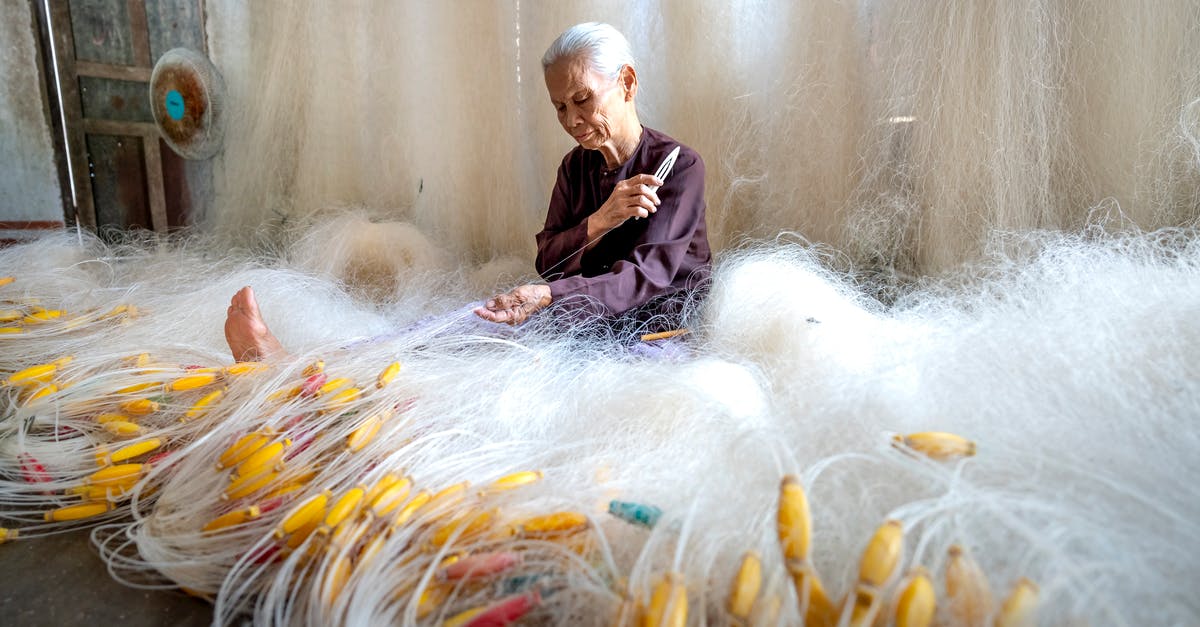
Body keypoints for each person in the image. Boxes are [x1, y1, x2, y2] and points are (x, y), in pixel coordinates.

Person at [225, 22, 711, 362]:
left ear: (626, 82)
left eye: (582, 99)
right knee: (466, 326)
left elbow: (646, 278)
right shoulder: (574, 167)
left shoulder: (680, 168)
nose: (572, 120)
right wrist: (600, 221)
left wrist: (548, 299)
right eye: (559, 107)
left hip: (658, 326)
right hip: (583, 311)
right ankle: (300, 368)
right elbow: (548, 260)